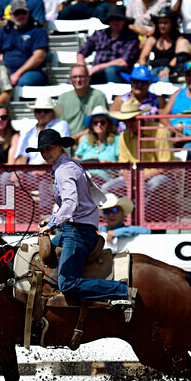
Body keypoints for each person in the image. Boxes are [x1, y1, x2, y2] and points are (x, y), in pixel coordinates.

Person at [35, 129, 136, 308]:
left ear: (60, 147)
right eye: (42, 150)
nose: (45, 153)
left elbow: (70, 203)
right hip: (78, 230)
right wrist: (52, 219)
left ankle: (121, 290)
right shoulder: (70, 165)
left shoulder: (63, 170)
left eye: (48, 148)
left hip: (76, 232)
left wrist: (51, 224)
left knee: (67, 284)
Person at [102, 98, 174, 203]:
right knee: (106, 188)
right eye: (126, 120)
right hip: (133, 178)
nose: (129, 124)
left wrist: (142, 178)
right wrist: (130, 181)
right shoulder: (124, 136)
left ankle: (138, 216)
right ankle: (117, 216)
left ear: (141, 118)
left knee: (152, 184)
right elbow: (125, 166)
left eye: (132, 119)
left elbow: (165, 166)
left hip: (159, 177)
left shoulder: (160, 132)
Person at [0, 0, 48, 87]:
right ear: (11, 14)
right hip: (6, 71)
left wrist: (17, 74)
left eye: (23, 12)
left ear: (28, 13)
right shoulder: (3, 32)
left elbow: (39, 57)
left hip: (31, 72)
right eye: (17, 13)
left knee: (24, 81)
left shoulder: (38, 32)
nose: (21, 16)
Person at [77, 5, 139, 85]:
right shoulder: (100, 34)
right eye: (112, 19)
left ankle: (116, 96)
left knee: (111, 70)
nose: (115, 22)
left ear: (124, 21)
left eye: (118, 19)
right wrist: (82, 68)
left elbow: (124, 62)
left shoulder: (131, 37)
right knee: (77, 75)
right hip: (96, 73)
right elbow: (81, 52)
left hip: (119, 73)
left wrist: (98, 67)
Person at [138, 6, 191, 82]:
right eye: (160, 23)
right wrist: (143, 70)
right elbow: (143, 57)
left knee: (164, 80)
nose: (162, 25)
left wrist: (167, 69)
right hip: (153, 70)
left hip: (170, 71)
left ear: (172, 24)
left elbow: (178, 57)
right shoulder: (153, 39)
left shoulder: (178, 39)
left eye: (165, 23)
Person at [58, 64, 108, 141]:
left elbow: (101, 124)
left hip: (90, 137)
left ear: (89, 78)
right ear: (70, 80)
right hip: (66, 139)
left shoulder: (98, 96)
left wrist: (75, 137)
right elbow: (59, 125)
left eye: (81, 76)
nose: (78, 80)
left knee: (84, 139)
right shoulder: (62, 98)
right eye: (74, 77)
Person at [16, 97, 71, 164]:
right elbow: (21, 157)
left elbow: (60, 152)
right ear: (34, 113)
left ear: (53, 112)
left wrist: (43, 169)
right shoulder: (28, 131)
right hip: (31, 171)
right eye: (38, 111)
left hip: (54, 169)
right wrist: (18, 172)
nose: (42, 114)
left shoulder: (61, 124)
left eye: (46, 110)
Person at [110, 65, 163, 130]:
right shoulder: (119, 100)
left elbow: (163, 120)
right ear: (131, 82)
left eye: (144, 82)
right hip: (125, 137)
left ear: (149, 84)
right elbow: (111, 123)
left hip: (150, 136)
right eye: (136, 81)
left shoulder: (158, 100)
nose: (139, 85)